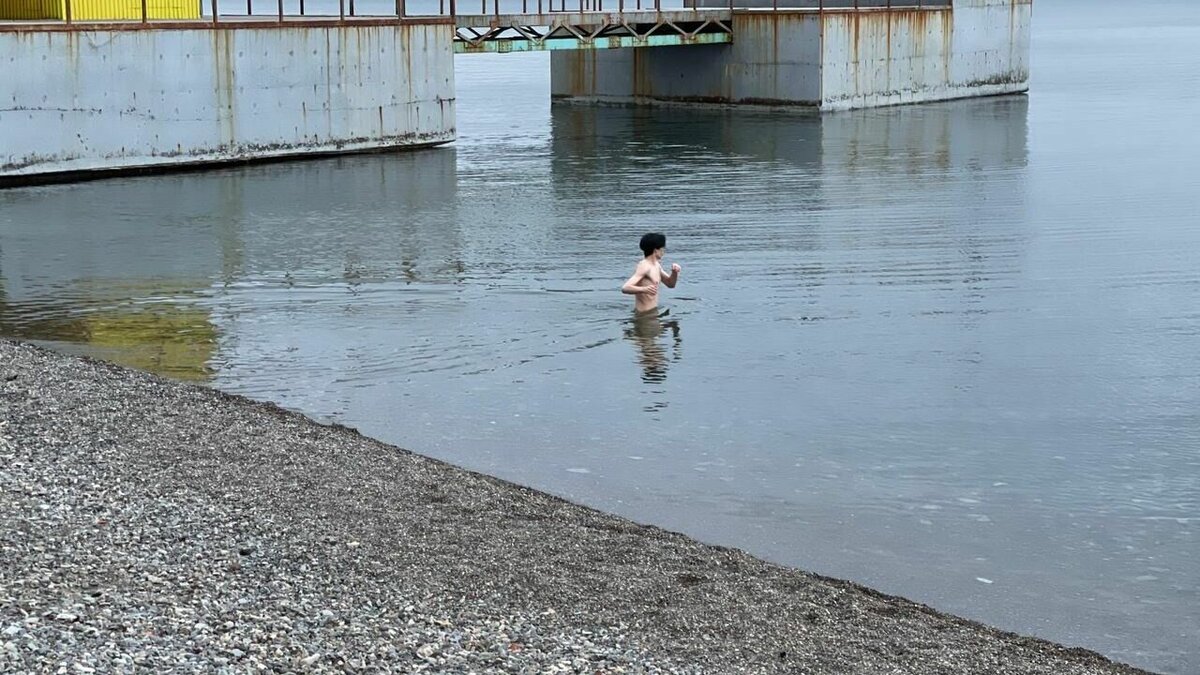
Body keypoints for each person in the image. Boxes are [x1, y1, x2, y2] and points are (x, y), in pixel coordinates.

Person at [621, 232, 681, 314]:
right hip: (643, 316)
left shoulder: (657, 265)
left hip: (653, 313)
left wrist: (674, 272)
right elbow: (625, 288)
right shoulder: (644, 266)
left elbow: (670, 284)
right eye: (663, 248)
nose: (664, 251)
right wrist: (644, 289)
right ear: (656, 250)